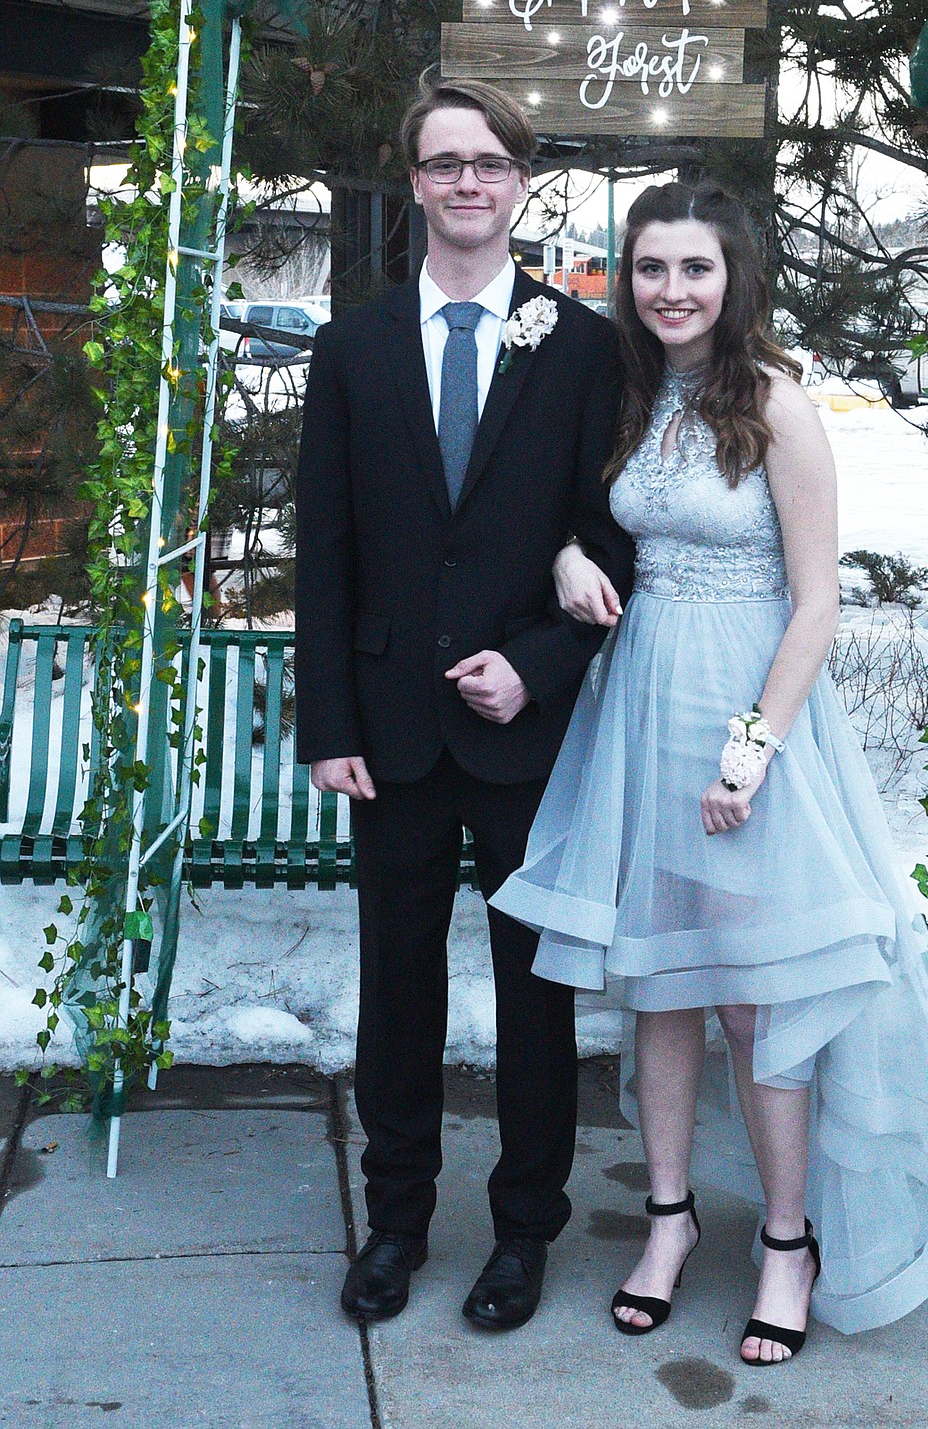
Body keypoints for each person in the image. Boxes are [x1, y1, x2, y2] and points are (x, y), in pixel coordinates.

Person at [490, 181, 928, 1365]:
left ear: (735, 278)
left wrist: (754, 745)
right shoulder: (625, 394)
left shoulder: (775, 400)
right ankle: (667, 1220)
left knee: (751, 994)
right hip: (637, 708)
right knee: (658, 985)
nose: (671, 289)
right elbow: (590, 518)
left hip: (749, 710)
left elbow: (819, 596)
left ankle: (787, 1237)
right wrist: (572, 549)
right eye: (652, 268)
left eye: (695, 269)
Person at [294, 76, 634, 1331]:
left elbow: (611, 539)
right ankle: (394, 1220)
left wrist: (538, 664)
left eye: (490, 161)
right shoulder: (355, 346)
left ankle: (524, 1231)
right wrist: (327, 722)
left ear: (522, 179)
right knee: (398, 986)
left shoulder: (583, 346)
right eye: (444, 163)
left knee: (533, 996)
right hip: (386, 732)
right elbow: (321, 546)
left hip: (520, 730)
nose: (468, 182)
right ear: (417, 182)